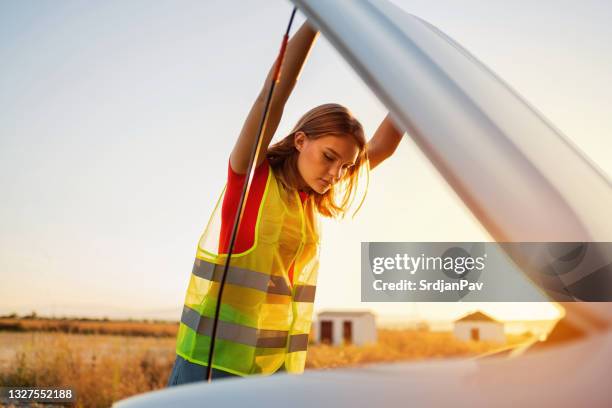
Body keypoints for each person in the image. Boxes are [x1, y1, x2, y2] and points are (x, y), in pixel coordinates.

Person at [167, 21, 403, 386]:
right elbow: (271, 96)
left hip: (271, 373)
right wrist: (316, 18)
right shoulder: (251, 178)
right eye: (328, 156)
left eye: (346, 167)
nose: (336, 174)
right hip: (210, 369)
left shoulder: (310, 200)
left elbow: (383, 147)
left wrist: (416, 87)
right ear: (299, 140)